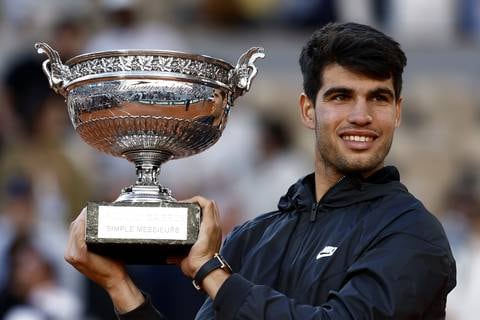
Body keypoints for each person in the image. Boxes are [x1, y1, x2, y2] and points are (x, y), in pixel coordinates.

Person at [65, 22, 456, 319]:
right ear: (308, 109)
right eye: (341, 96)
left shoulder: (412, 233)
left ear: (397, 112)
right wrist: (120, 287)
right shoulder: (254, 238)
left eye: (379, 99)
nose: (361, 116)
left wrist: (211, 273)